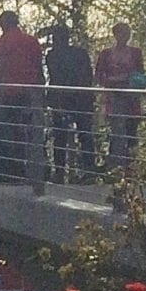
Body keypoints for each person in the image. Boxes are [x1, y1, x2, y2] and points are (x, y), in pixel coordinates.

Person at [0, 10, 46, 188]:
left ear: (4, 23)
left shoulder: (2, 42)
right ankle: (36, 169)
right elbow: (38, 65)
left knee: (9, 133)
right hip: (30, 92)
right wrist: (41, 90)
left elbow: (1, 67)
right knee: (31, 131)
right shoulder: (31, 41)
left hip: (10, 93)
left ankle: (12, 170)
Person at [43, 24, 96, 183]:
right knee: (82, 134)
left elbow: (56, 76)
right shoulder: (79, 54)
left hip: (67, 99)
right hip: (77, 98)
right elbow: (87, 76)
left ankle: (61, 171)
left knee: (63, 136)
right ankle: (87, 169)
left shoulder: (53, 55)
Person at [95, 20, 146, 170]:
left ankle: (131, 165)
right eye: (122, 33)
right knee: (117, 129)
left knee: (131, 128)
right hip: (113, 96)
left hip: (131, 96)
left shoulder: (136, 52)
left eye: (127, 34)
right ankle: (116, 165)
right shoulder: (106, 54)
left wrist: (133, 80)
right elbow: (98, 75)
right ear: (115, 35)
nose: (125, 37)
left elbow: (140, 73)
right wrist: (111, 80)